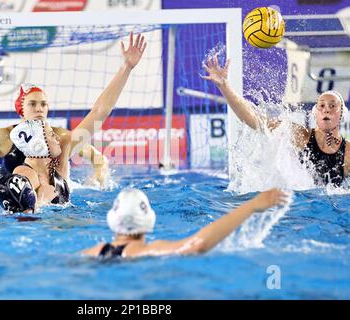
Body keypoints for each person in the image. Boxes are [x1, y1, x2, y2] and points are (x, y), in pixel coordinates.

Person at [0, 32, 146, 212]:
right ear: (39, 145)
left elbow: (100, 111)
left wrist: (126, 68)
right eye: (51, 135)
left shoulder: (61, 153)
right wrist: (38, 203)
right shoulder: (25, 174)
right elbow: (21, 218)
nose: (58, 137)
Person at [201, 56, 349, 187]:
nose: (326, 110)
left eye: (333, 106)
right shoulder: (299, 135)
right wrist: (224, 85)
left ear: (342, 114)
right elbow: (254, 120)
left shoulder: (348, 152)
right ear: (315, 113)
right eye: (321, 105)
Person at [81, 188, 288, 258]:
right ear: (148, 220)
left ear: (112, 220)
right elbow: (196, 244)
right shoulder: (144, 251)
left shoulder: (93, 252)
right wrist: (251, 206)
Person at [0, 125, 109, 187]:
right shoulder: (3, 136)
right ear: (21, 109)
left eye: (43, 104)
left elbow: (99, 159)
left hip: (50, 196)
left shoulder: (59, 136)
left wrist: (96, 179)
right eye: (33, 104)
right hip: (12, 195)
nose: (39, 109)